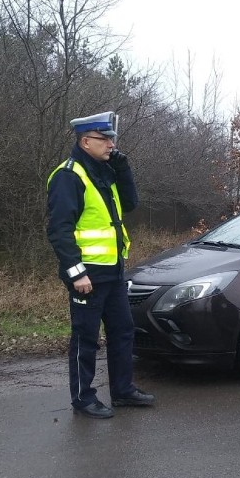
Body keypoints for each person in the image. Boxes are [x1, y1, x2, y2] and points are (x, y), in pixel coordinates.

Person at [46, 111, 155, 419]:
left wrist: (123, 167)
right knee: (86, 339)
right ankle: (83, 398)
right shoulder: (69, 176)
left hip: (113, 270)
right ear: (85, 141)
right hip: (87, 274)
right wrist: (75, 272)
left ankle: (122, 390)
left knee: (122, 332)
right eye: (104, 139)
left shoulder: (103, 171)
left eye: (112, 139)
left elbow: (130, 203)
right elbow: (59, 230)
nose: (111, 144)